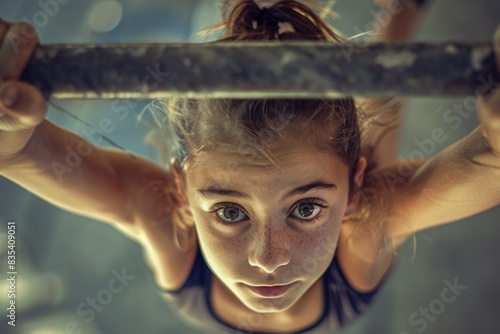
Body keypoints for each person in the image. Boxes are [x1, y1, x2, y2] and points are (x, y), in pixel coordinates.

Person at [0, 0, 499, 333]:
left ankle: (401, 9)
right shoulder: (170, 219)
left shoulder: (365, 223)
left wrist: (10, 127)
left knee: (382, 113)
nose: (268, 259)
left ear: (354, 185)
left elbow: (18, 152)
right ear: (181, 186)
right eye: (231, 212)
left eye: (306, 207)